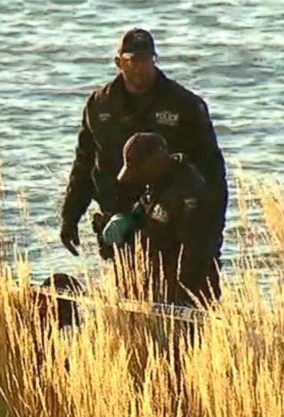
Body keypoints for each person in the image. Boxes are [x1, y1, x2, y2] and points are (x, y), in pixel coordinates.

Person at [60, 28, 227, 263]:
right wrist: (70, 217)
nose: (140, 67)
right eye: (133, 60)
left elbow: (212, 170)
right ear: (119, 62)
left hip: (171, 221)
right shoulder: (100, 105)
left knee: (179, 290)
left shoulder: (184, 105)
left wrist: (211, 232)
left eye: (147, 60)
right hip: (118, 218)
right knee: (128, 291)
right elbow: (84, 164)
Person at [100, 132, 221, 305]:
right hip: (159, 287)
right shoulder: (156, 186)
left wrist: (180, 295)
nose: (136, 178)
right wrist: (126, 223)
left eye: (138, 170)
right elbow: (144, 218)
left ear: (154, 163)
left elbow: (195, 253)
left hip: (187, 292)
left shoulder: (190, 194)